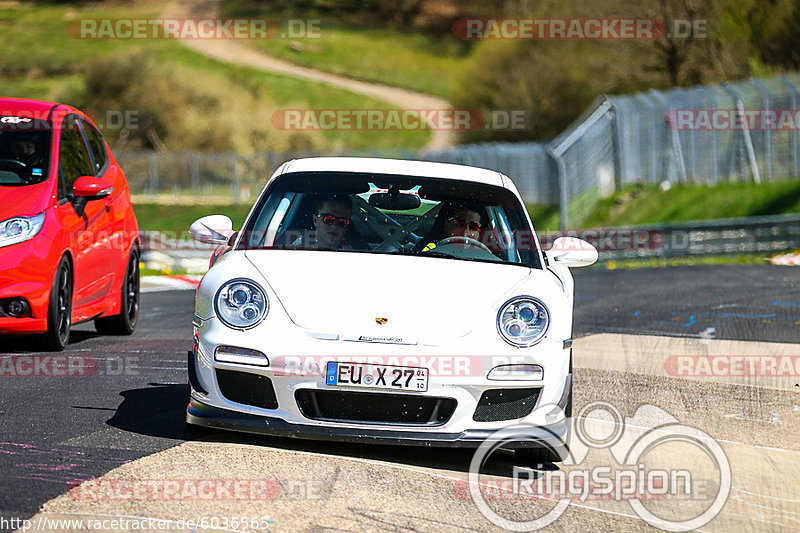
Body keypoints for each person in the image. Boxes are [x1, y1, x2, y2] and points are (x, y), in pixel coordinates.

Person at [419, 204, 484, 252]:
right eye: (460, 223)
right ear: (447, 224)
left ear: (479, 231)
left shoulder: (487, 257)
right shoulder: (430, 249)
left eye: (473, 226)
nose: (466, 230)